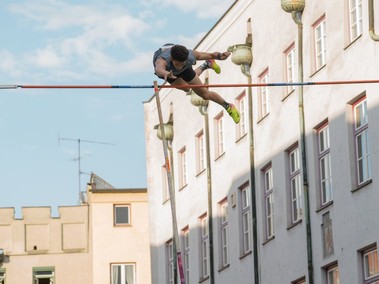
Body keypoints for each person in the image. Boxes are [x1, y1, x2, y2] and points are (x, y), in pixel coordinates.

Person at [153, 44, 240, 124]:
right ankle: (206, 64)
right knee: (186, 88)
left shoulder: (190, 55)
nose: (179, 67)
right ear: (172, 59)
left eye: (181, 64)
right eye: (177, 64)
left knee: (205, 95)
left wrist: (220, 56)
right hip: (169, 72)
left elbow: (211, 55)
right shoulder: (163, 60)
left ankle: (228, 106)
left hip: (185, 69)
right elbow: (158, 68)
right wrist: (165, 73)